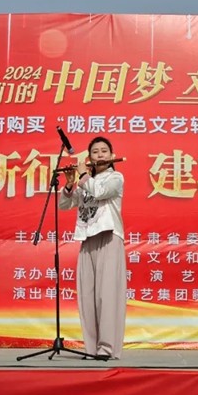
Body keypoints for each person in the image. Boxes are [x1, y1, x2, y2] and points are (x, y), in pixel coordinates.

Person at [58, 136, 126, 360]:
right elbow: (65, 205)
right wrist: (70, 184)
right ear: (89, 157)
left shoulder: (116, 178)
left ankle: (107, 349)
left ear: (112, 156)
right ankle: (91, 349)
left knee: (106, 296)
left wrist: (82, 175)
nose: (100, 155)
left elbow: (100, 192)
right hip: (87, 240)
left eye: (104, 151)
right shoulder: (86, 181)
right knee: (87, 296)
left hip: (109, 238)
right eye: (95, 152)